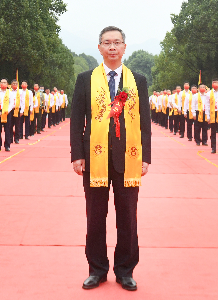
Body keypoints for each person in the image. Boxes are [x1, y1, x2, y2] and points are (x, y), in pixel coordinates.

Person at [70, 26, 150, 291]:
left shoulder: (137, 80)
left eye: (117, 42)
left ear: (124, 47)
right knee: (95, 216)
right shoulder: (85, 79)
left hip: (129, 158)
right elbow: (77, 120)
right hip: (94, 157)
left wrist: (145, 157)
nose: (112, 47)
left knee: (128, 216)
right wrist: (77, 155)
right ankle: (97, 269)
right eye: (107, 43)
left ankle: (125, 270)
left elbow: (146, 123)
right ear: (100, 48)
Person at [0, 79, 15, 151]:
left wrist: (6, 111)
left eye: (4, 82)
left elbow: (12, 103)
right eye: (2, 82)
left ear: (7, 84)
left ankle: (7, 145)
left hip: (7, 112)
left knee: (7, 129)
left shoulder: (10, 93)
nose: (3, 84)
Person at [208, 79, 218, 154]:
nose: (214, 84)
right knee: (213, 132)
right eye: (213, 82)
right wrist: (208, 116)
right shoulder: (209, 93)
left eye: (216, 82)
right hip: (213, 113)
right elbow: (207, 105)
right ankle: (213, 148)